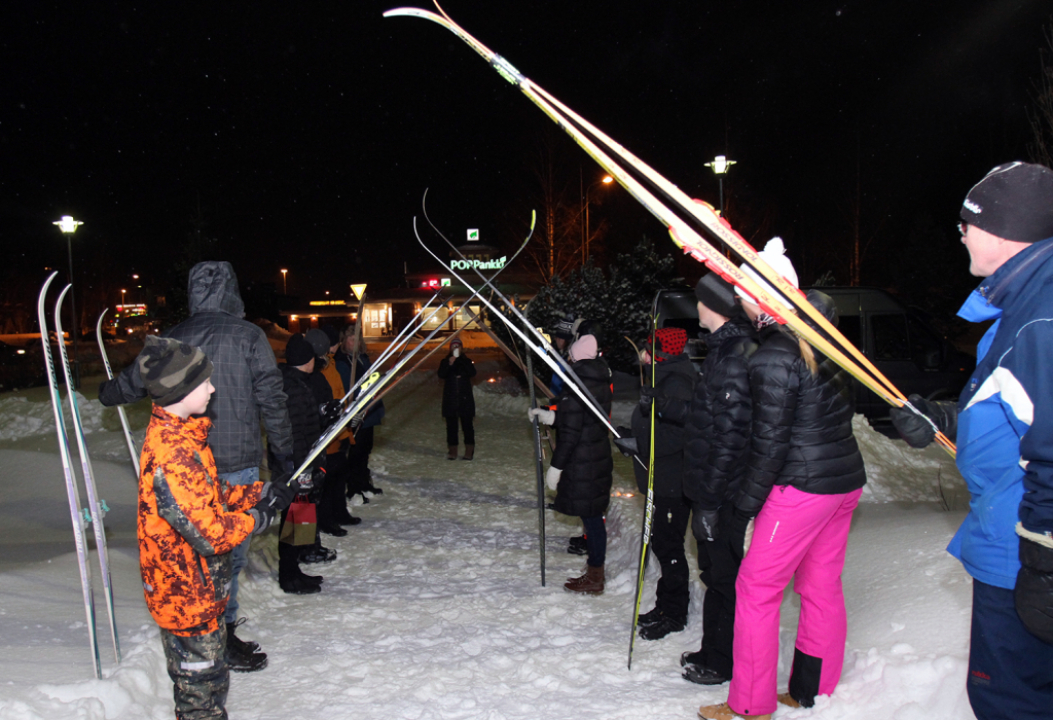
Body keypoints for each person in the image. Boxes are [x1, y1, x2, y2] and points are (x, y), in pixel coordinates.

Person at [890, 161, 1053, 720]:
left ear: (1004, 231)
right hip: (1010, 540)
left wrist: (1044, 563)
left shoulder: (1041, 320)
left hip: (1025, 555)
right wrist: (943, 419)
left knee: (1011, 703)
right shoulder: (1020, 307)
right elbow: (1018, 412)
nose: (960, 233)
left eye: (969, 222)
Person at [699, 238, 867, 720]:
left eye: (744, 294)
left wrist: (743, 510)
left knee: (756, 589)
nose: (740, 303)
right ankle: (815, 688)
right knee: (819, 585)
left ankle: (749, 706)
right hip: (842, 482)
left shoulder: (773, 356)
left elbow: (768, 447)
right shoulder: (822, 335)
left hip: (803, 488)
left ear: (763, 296)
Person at [99, 260, 291, 672]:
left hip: (191, 462)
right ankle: (217, 636)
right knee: (227, 558)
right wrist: (282, 457)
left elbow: (136, 380)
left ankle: (213, 634)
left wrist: (109, 391)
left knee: (197, 558)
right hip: (233, 462)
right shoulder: (249, 335)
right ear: (232, 290)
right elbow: (272, 400)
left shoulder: (174, 338)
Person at [135, 335, 293, 719]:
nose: (212, 387)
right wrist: (261, 516)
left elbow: (210, 494)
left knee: (210, 680)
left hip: (200, 591)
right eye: (204, 381)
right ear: (181, 389)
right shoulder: (173, 454)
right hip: (185, 596)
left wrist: (262, 491)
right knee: (200, 696)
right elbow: (208, 533)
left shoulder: (185, 436)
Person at [679, 272, 758, 686]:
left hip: (723, 494)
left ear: (715, 307)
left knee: (724, 577)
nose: (696, 307)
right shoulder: (724, 351)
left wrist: (709, 499)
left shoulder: (732, 357)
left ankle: (722, 661)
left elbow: (729, 437)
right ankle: (713, 649)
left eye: (700, 300)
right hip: (713, 490)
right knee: (713, 572)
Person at [614, 326, 696, 640]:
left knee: (669, 544)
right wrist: (632, 434)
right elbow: (654, 425)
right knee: (663, 542)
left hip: (672, 481)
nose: (643, 355)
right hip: (659, 477)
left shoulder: (676, 383)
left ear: (663, 353)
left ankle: (675, 612)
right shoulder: (661, 378)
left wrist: (640, 445)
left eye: (649, 350)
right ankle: (666, 605)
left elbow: (677, 435)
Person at [530, 330, 614, 594]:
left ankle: (595, 576)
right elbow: (579, 419)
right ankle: (594, 571)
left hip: (585, 463)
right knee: (592, 518)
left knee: (592, 520)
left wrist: (556, 468)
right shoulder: (595, 380)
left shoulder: (579, 385)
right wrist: (548, 416)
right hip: (594, 460)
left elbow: (571, 434)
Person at [273, 334, 328, 595]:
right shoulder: (292, 387)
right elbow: (294, 430)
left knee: (301, 517)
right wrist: (301, 467)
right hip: (297, 463)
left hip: (303, 458)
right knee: (294, 518)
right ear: (305, 360)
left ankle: (295, 570)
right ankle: (289, 575)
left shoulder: (297, 382)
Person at [305, 327, 360, 533]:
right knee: (304, 497)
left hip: (327, 435)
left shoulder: (325, 369)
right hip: (308, 446)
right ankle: (302, 544)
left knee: (332, 481)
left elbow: (334, 400)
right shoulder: (303, 379)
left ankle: (310, 541)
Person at [334, 323, 384, 501]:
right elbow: (350, 388)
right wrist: (366, 387)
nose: (354, 342)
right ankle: (353, 487)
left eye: (357, 339)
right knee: (355, 452)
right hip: (356, 414)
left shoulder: (362, 358)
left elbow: (372, 377)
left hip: (368, 412)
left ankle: (364, 482)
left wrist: (378, 380)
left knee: (365, 450)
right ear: (344, 341)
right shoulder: (342, 361)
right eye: (351, 339)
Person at [437, 338, 477, 460]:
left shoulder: (466, 361)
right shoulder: (445, 361)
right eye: (453, 347)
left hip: (465, 399)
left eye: (458, 346)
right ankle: (452, 450)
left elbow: (472, 372)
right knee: (451, 426)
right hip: (451, 398)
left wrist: (463, 362)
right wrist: (449, 364)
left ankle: (469, 451)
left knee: (467, 426)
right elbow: (441, 374)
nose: (456, 349)